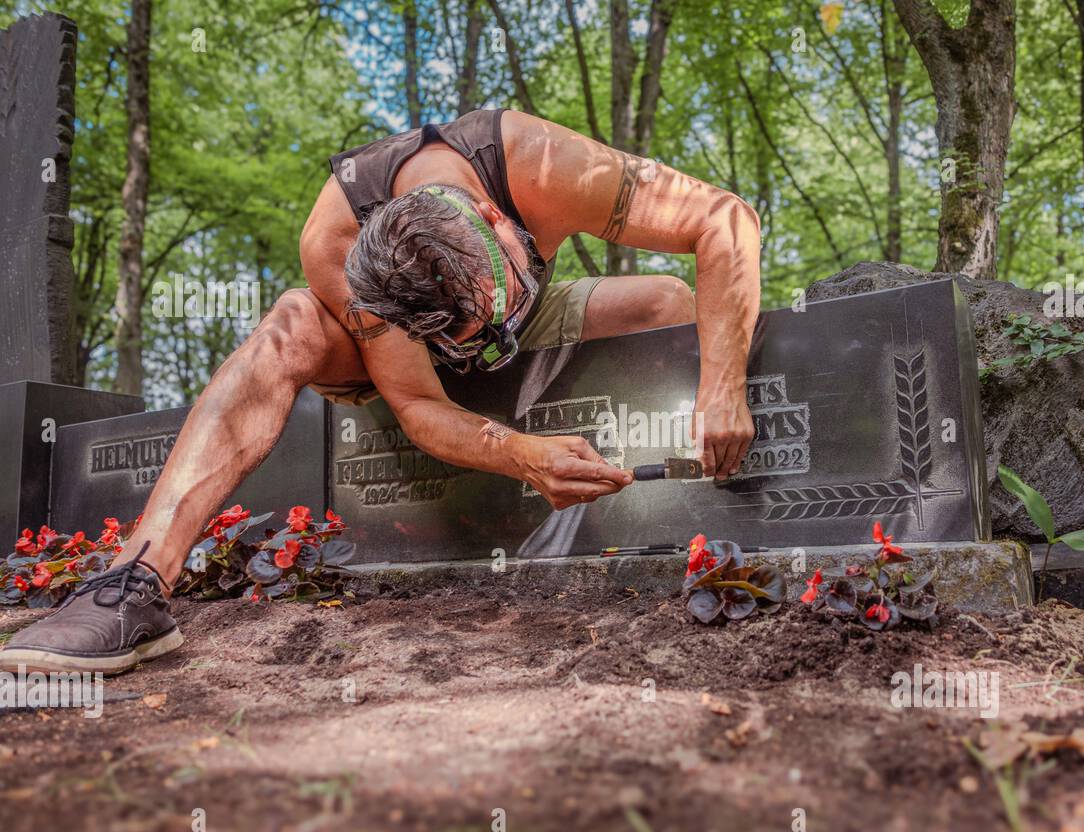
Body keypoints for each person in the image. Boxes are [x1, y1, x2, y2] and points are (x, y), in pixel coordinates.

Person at [0, 108, 762, 675]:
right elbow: (423, 407)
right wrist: (522, 454)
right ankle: (133, 584)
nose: (482, 354)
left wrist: (724, 389)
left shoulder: (547, 164)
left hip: (520, 319)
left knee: (664, 300)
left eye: (486, 321)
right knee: (292, 321)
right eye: (464, 338)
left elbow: (725, 219)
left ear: (499, 218)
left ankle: (688, 510)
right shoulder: (337, 240)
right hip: (395, 359)